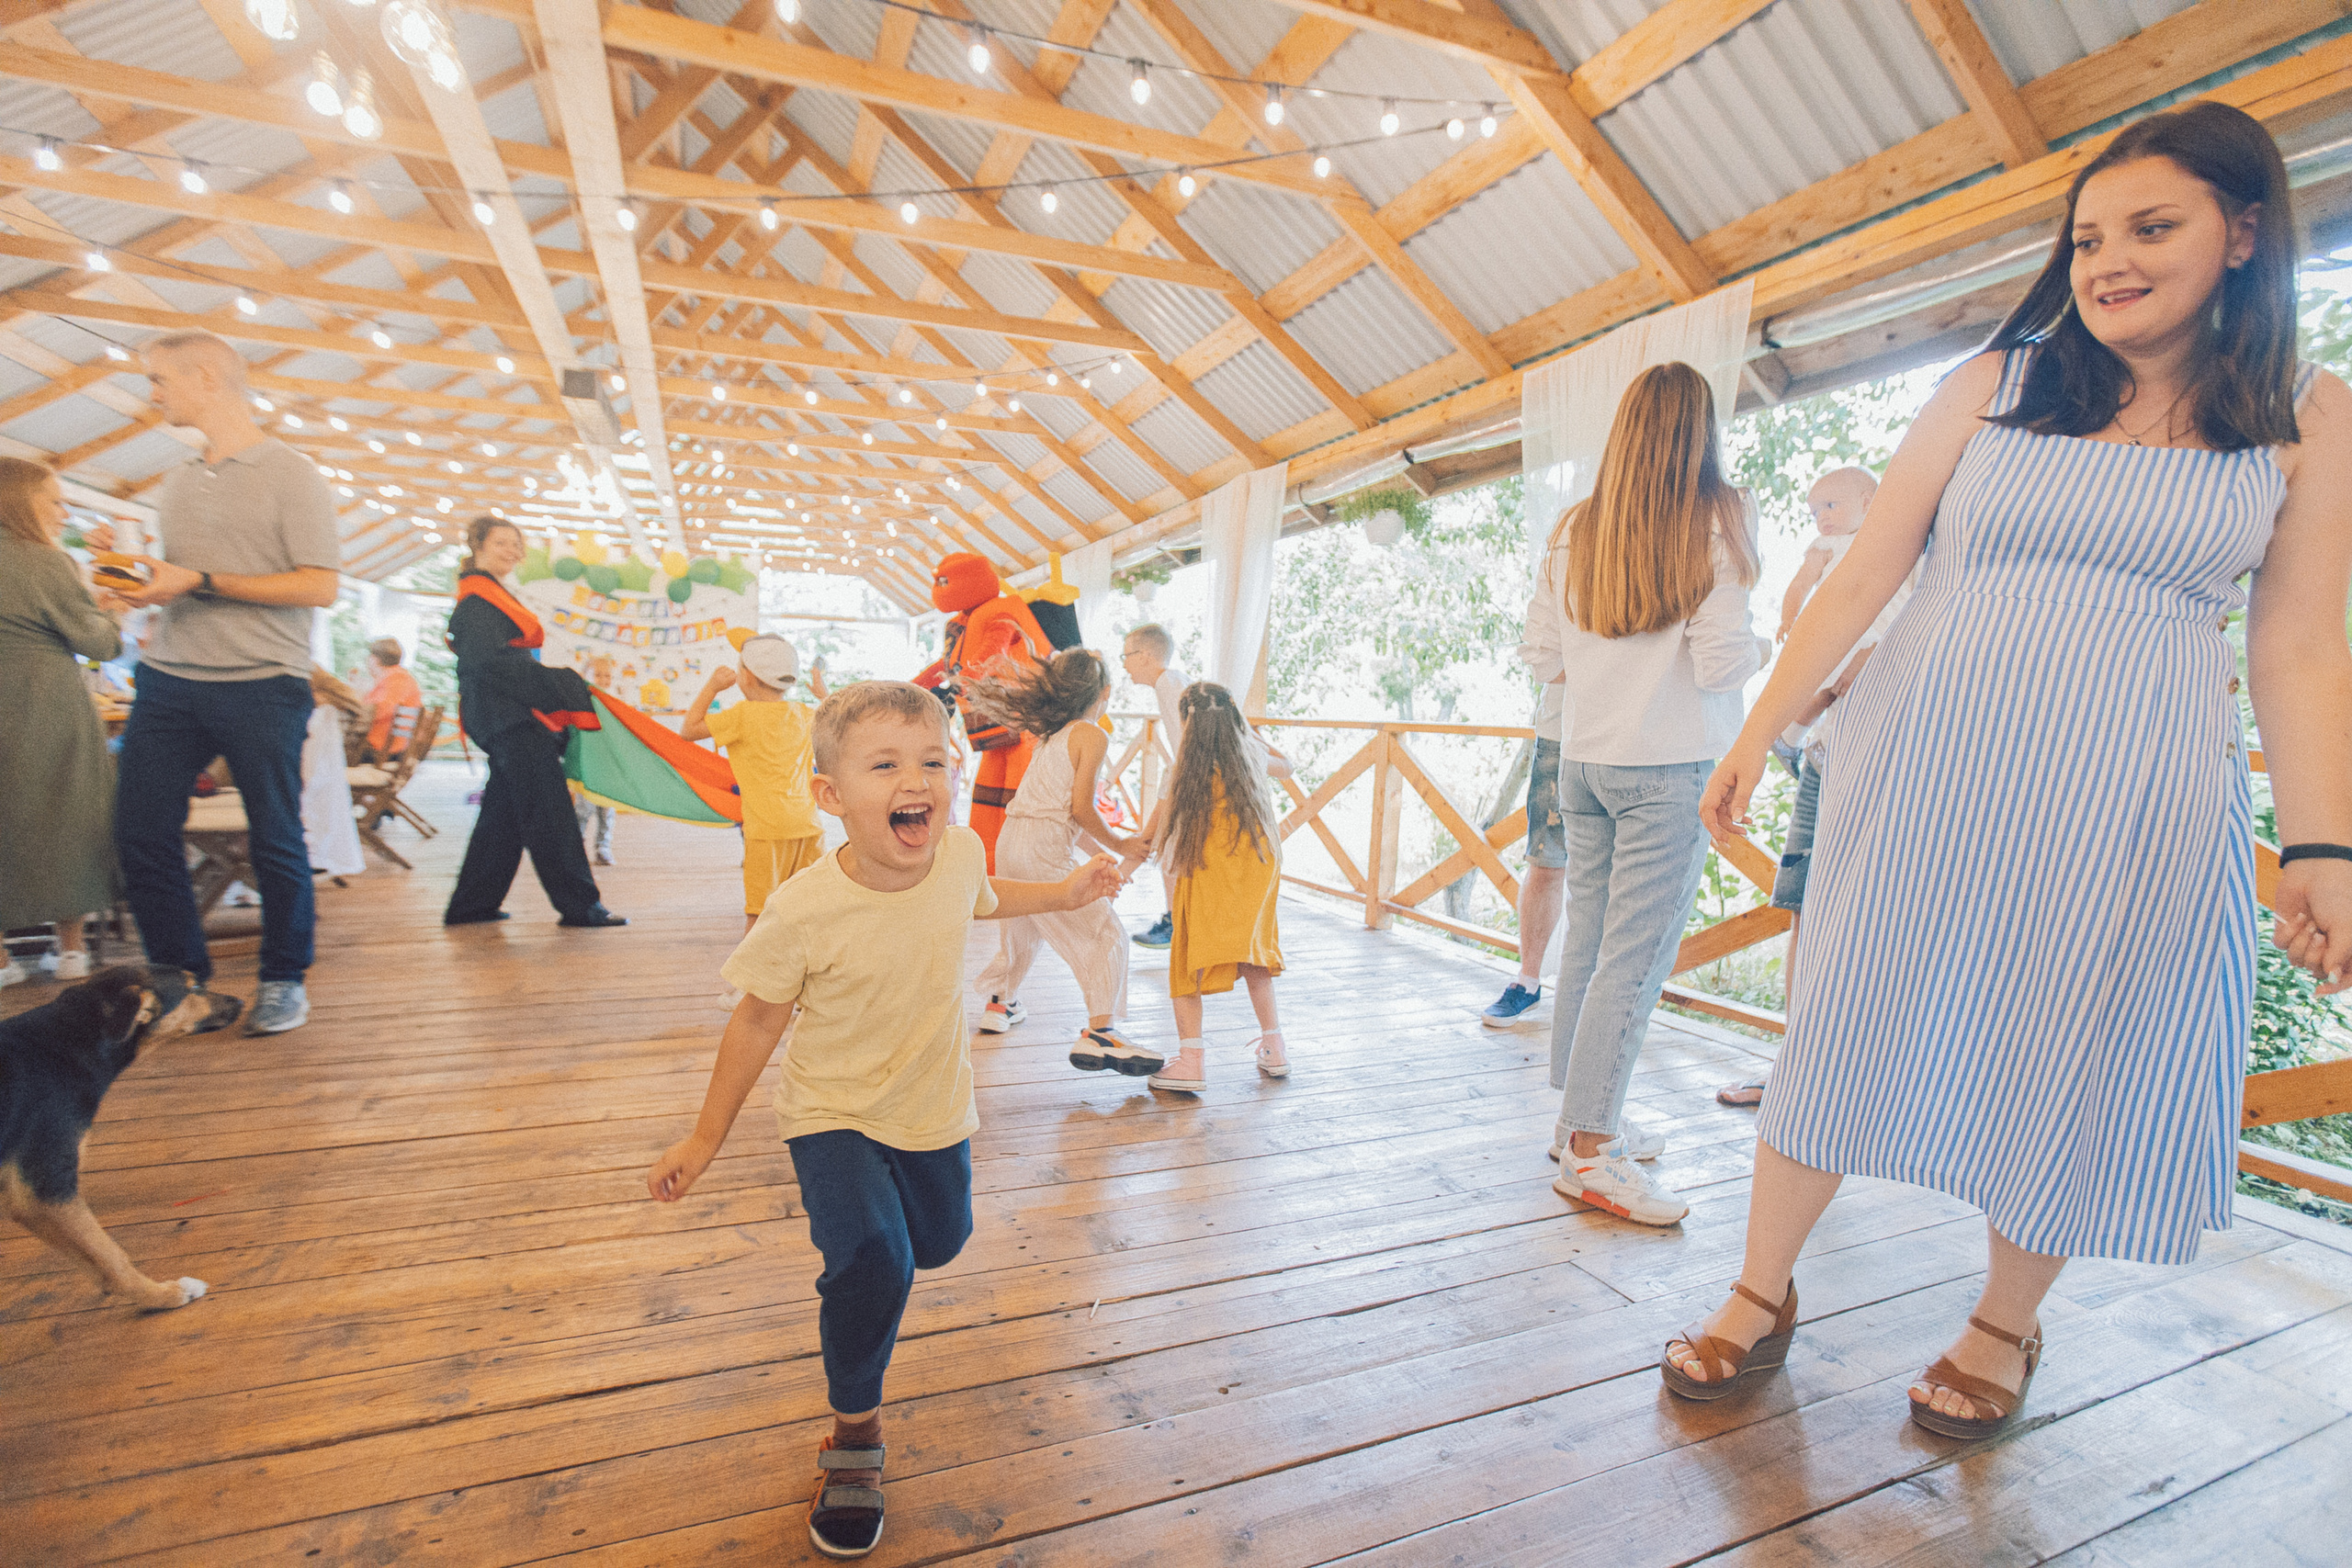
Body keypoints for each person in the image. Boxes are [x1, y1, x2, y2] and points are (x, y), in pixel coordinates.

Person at [1664, 102, 2352, 1441]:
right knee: (1843, 1014)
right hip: (1923, 759)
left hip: (2133, 788)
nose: (2109, 260)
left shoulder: (2307, 414)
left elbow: (2301, 646)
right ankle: (1758, 1287)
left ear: (2245, 232)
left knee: (2065, 1043)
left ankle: (2002, 1321)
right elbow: (1870, 568)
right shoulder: (2000, 375)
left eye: (2154, 228)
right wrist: (1759, 724)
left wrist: (2324, 848)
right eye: (2090, 235)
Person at [645, 681, 1124, 1560]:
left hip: (935, 1109)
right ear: (830, 796)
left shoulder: (961, 855)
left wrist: (1062, 890)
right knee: (876, 1256)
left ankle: (879, 1267)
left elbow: (986, 897)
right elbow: (755, 1018)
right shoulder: (803, 908)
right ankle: (855, 1434)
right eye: (887, 763)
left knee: (937, 1243)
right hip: (832, 1113)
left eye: (935, 760)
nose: (920, 779)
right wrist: (705, 1135)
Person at [1524, 360, 1769, 1228]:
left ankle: (1579, 1124)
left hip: (1582, 761)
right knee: (1635, 958)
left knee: (1590, 946)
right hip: (1667, 768)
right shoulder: (1717, 517)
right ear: (1702, 432)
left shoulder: (1574, 527)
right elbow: (1722, 661)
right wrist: (1773, 640)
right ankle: (1590, 1150)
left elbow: (1544, 656)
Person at [106, 330, 341, 1035]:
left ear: (206, 376)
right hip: (169, 677)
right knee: (138, 829)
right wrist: (142, 582)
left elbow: (319, 584)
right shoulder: (177, 480)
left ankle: (283, 977)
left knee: (274, 835)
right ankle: (180, 981)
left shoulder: (291, 473)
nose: (152, 393)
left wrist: (201, 580)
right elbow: (183, 580)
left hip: (262, 681)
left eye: (159, 379)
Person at [1720, 468, 1902, 1110]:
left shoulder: (1911, 558)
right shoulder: (1830, 559)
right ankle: (1798, 1064)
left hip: (1883, 755)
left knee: (1867, 914)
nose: (1824, 514)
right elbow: (1802, 614)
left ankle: (1855, 1075)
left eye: (1834, 503)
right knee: (1803, 902)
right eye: (1817, 505)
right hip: (1824, 750)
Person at [964, 649, 1159, 1073]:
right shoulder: (1091, 734)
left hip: (1012, 840)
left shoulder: (1052, 737)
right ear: (1104, 693)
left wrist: (1102, 852)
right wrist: (1124, 845)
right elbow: (1082, 810)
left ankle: (1000, 1004)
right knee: (1104, 932)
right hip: (1043, 846)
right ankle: (1102, 1034)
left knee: (1024, 926)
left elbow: (1061, 814)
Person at [442, 515, 625, 929]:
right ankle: (581, 907)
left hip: (505, 714)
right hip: (509, 717)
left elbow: (498, 663)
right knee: (550, 813)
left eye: (516, 545)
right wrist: (560, 685)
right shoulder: (477, 603)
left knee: (502, 814)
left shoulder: (486, 597)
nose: (512, 551)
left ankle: (472, 904)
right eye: (502, 543)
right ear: (478, 545)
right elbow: (489, 664)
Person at [0, 458, 121, 987]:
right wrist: (111, 610)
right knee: (69, 819)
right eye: (54, 501)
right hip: (47, 702)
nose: (63, 510)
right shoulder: (47, 564)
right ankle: (70, 951)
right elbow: (98, 644)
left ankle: (2, 962)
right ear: (21, 503)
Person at [1142, 682, 1291, 1094]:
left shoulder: (1182, 773)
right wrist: (1249, 732)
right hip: (1258, 869)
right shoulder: (1252, 757)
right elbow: (1290, 764)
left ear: (1186, 724)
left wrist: (1121, 866)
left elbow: (1151, 834)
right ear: (1234, 719)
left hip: (1207, 873)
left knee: (1187, 961)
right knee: (1254, 957)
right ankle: (1274, 1048)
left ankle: (1191, 1061)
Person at [679, 633, 829, 934]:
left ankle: (753, 982)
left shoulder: (741, 716)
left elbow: (688, 730)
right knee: (808, 909)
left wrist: (712, 687)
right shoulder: (804, 714)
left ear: (745, 676)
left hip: (765, 831)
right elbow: (844, 721)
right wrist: (824, 695)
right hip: (809, 825)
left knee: (759, 914)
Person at [1484, 597, 1573, 1026]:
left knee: (1618, 875)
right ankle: (1528, 981)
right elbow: (1539, 651)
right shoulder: (1563, 557)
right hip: (1560, 732)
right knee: (1545, 861)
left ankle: (1593, 991)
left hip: (1637, 741)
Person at [1119, 624, 1189, 950]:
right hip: (1181, 776)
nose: (1124, 664)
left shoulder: (1168, 684)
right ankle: (1174, 920)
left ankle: (1176, 923)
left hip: (1187, 779)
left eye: (1127, 656)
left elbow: (1186, 744)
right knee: (1161, 846)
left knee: (1164, 847)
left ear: (1145, 656)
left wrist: (1172, 791)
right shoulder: (1174, 681)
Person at [302, 667, 367, 878]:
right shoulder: (330, 708)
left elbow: (307, 771)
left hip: (314, 783)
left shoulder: (318, 715)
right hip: (330, 778)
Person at [360, 637, 424, 761]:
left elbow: (378, 711)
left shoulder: (396, 679)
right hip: (390, 746)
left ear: (375, 659)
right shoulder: (398, 676)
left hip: (384, 749)